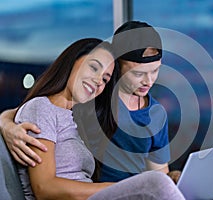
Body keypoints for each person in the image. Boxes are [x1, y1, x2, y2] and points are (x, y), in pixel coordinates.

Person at [2, 38, 185, 200]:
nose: (99, 80)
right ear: (73, 61)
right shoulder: (42, 107)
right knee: (155, 185)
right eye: (94, 67)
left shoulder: (79, 115)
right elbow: (44, 187)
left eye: (105, 79)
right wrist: (5, 124)